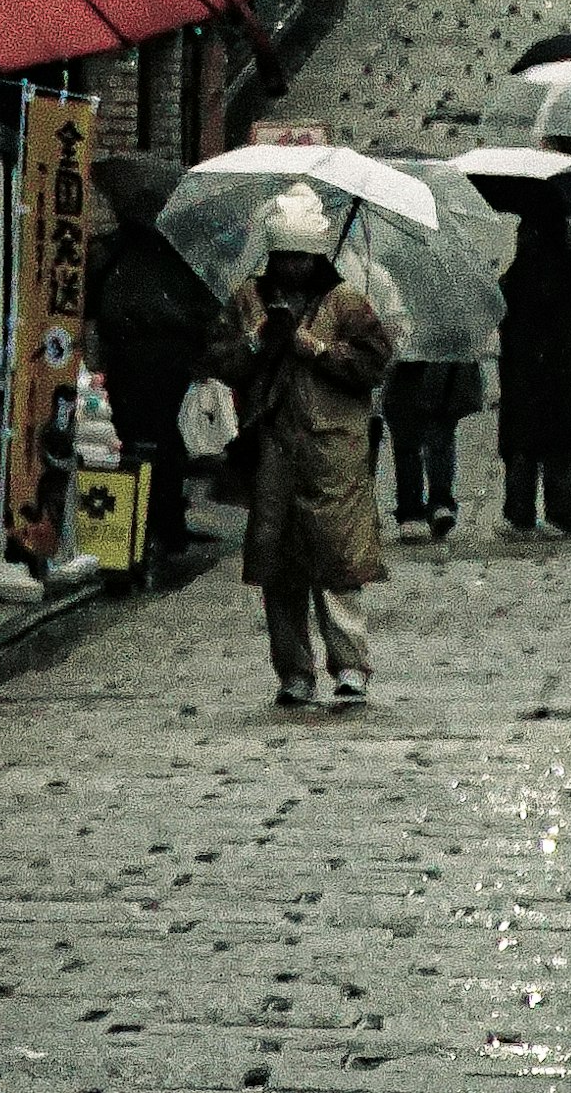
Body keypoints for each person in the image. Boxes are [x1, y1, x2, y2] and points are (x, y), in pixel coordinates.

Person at [230, 184, 394, 704]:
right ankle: (293, 672)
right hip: (274, 448)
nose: (294, 266)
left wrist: (315, 348)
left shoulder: (347, 302)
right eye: (285, 256)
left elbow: (372, 364)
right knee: (280, 567)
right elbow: (220, 359)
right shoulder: (248, 299)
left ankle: (350, 664)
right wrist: (259, 343)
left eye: (303, 256)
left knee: (339, 561)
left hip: (334, 451)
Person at [87, 149, 222, 564]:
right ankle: (164, 524)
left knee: (130, 438)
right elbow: (208, 307)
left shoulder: (110, 251)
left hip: (128, 355)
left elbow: (95, 307)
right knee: (165, 440)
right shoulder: (185, 255)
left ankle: (136, 524)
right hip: (170, 357)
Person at [491, 171, 571, 535]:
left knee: (523, 441)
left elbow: (504, 311)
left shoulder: (520, 270)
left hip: (524, 368)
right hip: (561, 368)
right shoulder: (569, 267)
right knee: (560, 441)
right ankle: (562, 511)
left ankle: (519, 512)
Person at [381, 347, 483, 536]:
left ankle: (434, 503)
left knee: (437, 432)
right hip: (408, 358)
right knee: (411, 435)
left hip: (440, 354)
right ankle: (417, 508)